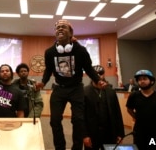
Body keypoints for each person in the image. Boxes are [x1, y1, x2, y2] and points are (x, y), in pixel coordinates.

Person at [35, 19, 107, 150]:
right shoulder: (49, 52)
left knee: (78, 120)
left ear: (71, 32)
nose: (60, 29)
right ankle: (60, 147)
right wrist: (43, 82)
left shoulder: (80, 50)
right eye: (57, 28)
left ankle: (76, 148)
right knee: (54, 121)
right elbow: (48, 70)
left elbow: (89, 68)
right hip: (58, 89)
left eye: (64, 27)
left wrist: (98, 80)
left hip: (76, 89)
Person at [83, 65, 125, 150]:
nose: (98, 76)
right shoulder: (84, 92)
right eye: (95, 74)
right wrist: (84, 135)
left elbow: (117, 113)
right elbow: (81, 116)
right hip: (91, 134)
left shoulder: (111, 91)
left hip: (109, 133)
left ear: (104, 75)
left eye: (100, 74)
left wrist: (120, 133)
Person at [126, 70, 156, 150]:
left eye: (144, 78)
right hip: (139, 132)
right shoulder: (133, 96)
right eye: (139, 79)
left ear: (151, 81)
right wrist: (137, 117)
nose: (142, 81)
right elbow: (129, 109)